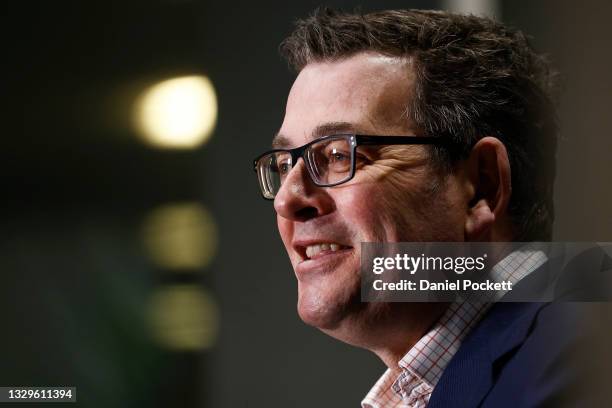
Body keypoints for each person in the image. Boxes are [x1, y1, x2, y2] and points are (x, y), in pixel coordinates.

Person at [253, 8, 603, 408]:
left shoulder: (578, 362)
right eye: (284, 164)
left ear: (481, 187)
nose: (288, 198)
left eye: (337, 154)